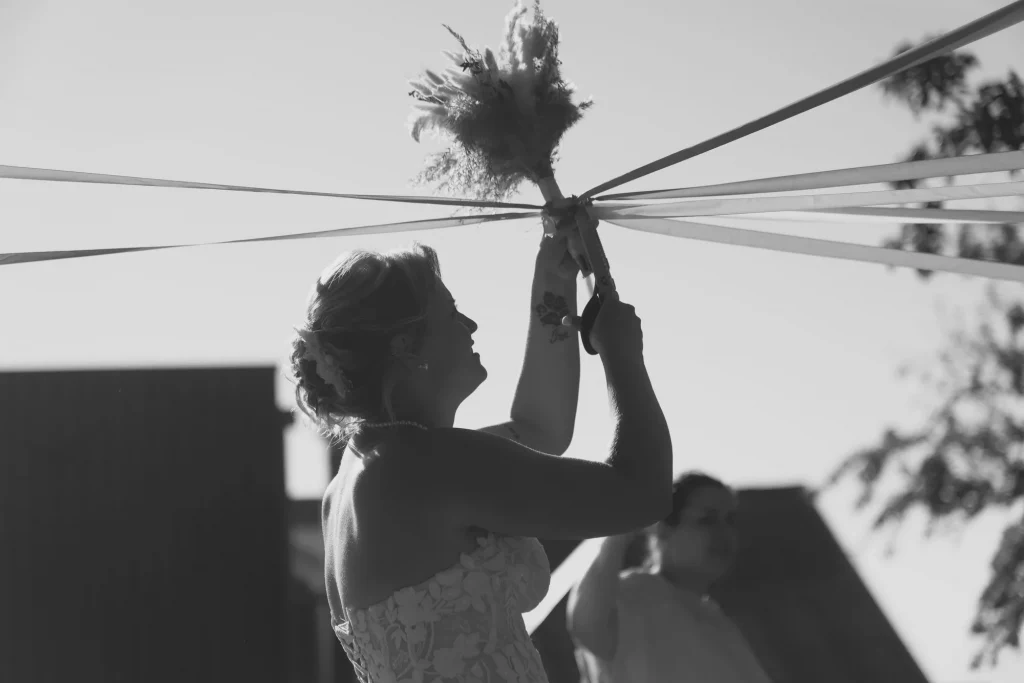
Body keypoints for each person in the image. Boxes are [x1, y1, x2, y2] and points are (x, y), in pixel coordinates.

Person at [288, 228, 672, 683]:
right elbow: (640, 493)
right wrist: (623, 354)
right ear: (405, 347)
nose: (470, 325)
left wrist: (554, 276)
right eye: (450, 313)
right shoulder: (429, 465)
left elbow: (539, 428)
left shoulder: (370, 473)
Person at [568, 472, 773, 683]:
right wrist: (619, 532)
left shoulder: (717, 619)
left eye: (730, 520)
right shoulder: (632, 595)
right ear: (663, 529)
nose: (724, 532)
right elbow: (586, 625)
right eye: (707, 520)